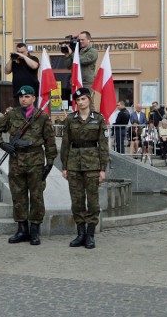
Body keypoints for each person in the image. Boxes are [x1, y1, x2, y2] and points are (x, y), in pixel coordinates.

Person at [0, 85, 56, 246]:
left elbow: (50, 141)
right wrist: (3, 144)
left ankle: (34, 230)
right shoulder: (12, 115)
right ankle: (22, 229)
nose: (23, 99)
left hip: (35, 160)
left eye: (27, 96)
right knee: (18, 195)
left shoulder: (42, 117)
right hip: (17, 159)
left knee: (36, 196)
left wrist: (50, 162)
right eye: (21, 97)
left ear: (33, 98)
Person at [60, 87, 108, 249]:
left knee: (93, 201)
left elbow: (103, 145)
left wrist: (103, 168)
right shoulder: (70, 119)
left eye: (83, 99)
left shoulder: (99, 119)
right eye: (78, 100)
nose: (80, 103)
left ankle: (90, 234)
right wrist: (64, 166)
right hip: (73, 164)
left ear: (89, 99)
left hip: (93, 165)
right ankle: (80, 234)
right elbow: (65, 144)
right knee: (77, 201)